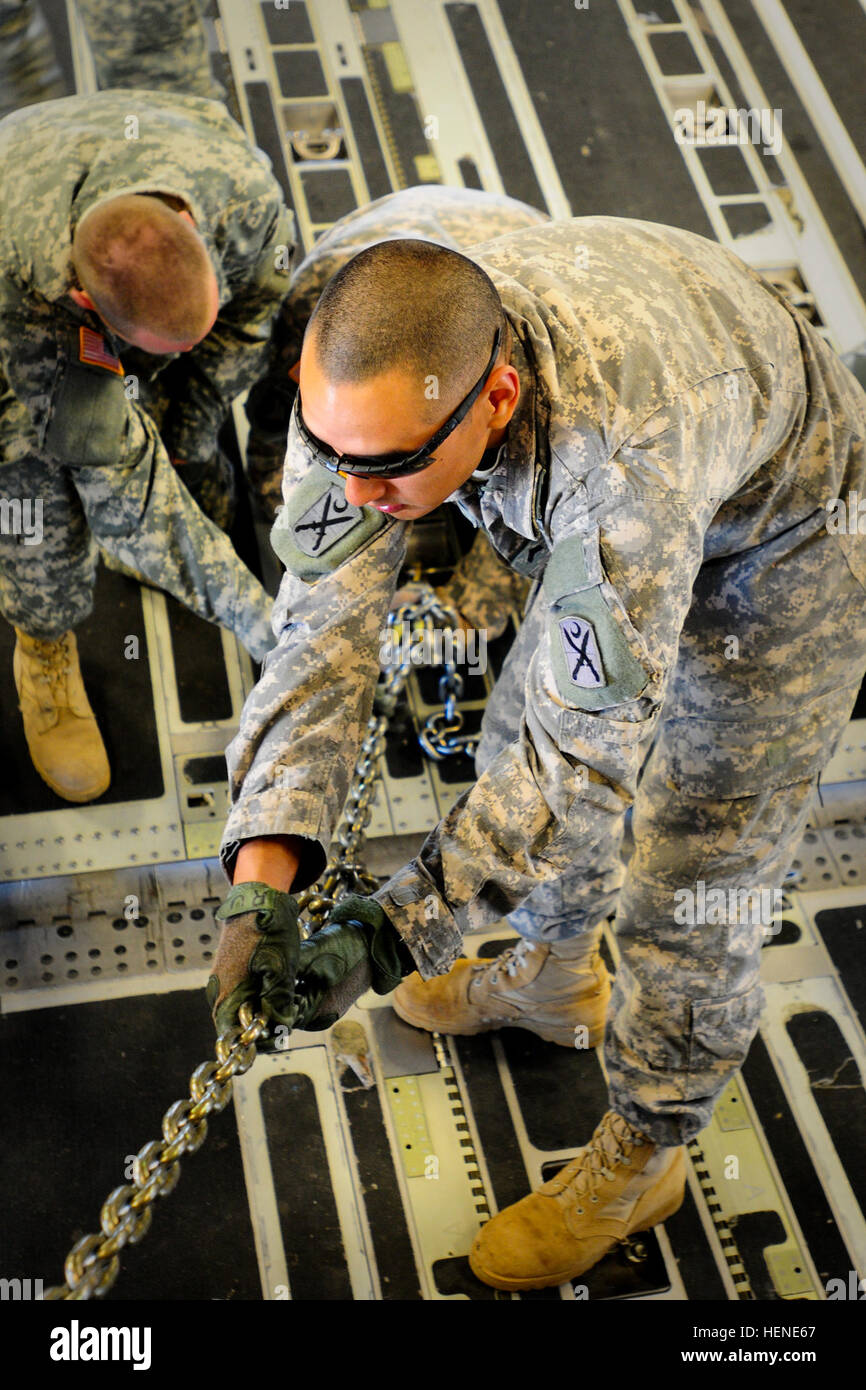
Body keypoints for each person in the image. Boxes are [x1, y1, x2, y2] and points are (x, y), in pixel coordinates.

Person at [208, 201, 866, 1292]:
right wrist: (261, 872)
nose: (355, 497)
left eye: (386, 471)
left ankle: (646, 1149)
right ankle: (550, 982)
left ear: (496, 397)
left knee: (697, 864)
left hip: (784, 547)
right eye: (330, 453)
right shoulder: (365, 386)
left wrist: (391, 934)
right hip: (640, 455)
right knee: (510, 734)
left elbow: (583, 766)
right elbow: (320, 634)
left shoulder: (615, 470)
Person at [0, 88, 296, 802]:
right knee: (33, 492)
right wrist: (271, 628)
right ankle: (44, 646)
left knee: (207, 391)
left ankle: (179, 427)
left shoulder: (242, 196)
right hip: (15, 310)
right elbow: (131, 505)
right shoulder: (34, 298)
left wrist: (191, 424)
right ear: (85, 307)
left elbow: (256, 304)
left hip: (125, 159)